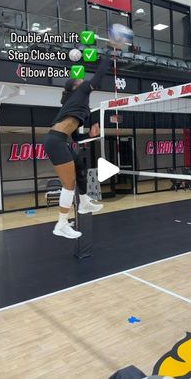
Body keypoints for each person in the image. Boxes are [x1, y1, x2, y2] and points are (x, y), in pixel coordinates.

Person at [43, 46, 113, 239]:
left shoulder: (78, 105)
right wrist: (109, 54)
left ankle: (83, 203)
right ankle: (61, 223)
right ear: (76, 85)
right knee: (68, 184)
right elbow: (98, 77)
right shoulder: (80, 91)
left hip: (61, 141)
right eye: (80, 79)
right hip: (55, 142)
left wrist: (92, 135)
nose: (83, 80)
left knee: (80, 166)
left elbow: (76, 138)